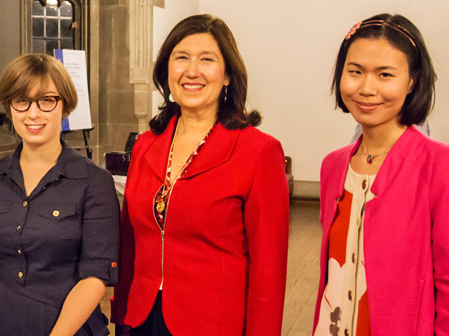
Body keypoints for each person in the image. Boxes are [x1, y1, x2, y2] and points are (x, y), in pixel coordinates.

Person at [111, 14, 290, 336]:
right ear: (167, 70)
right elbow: (130, 240)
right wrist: (122, 312)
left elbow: (269, 269)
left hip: (213, 323)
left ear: (227, 76)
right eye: (181, 58)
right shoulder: (147, 145)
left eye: (206, 60)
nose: (192, 71)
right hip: (143, 316)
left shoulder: (258, 151)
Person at [0, 54, 119, 336]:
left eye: (47, 100)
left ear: (65, 107)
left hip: (67, 328)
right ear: (9, 107)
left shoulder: (94, 182)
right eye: (22, 101)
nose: (33, 113)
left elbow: (94, 275)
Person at [314, 13, 449, 336]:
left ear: (412, 81)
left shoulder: (438, 165)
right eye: (355, 71)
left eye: (385, 74)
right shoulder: (334, 165)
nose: (366, 88)